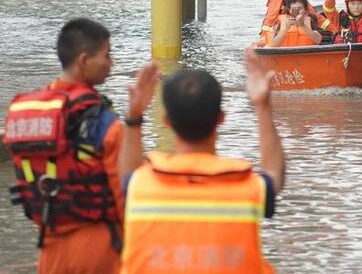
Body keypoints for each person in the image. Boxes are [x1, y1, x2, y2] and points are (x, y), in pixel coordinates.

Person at [2, 17, 150, 274]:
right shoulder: (102, 122)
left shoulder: (26, 113)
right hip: (102, 249)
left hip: (50, 249)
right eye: (106, 55)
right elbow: (127, 194)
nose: (111, 63)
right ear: (84, 61)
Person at [119, 50, 285, 273]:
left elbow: (127, 176)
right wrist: (263, 106)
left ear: (166, 121)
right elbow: (275, 174)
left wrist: (134, 116)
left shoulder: (140, 187)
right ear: (221, 119)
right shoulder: (248, 189)